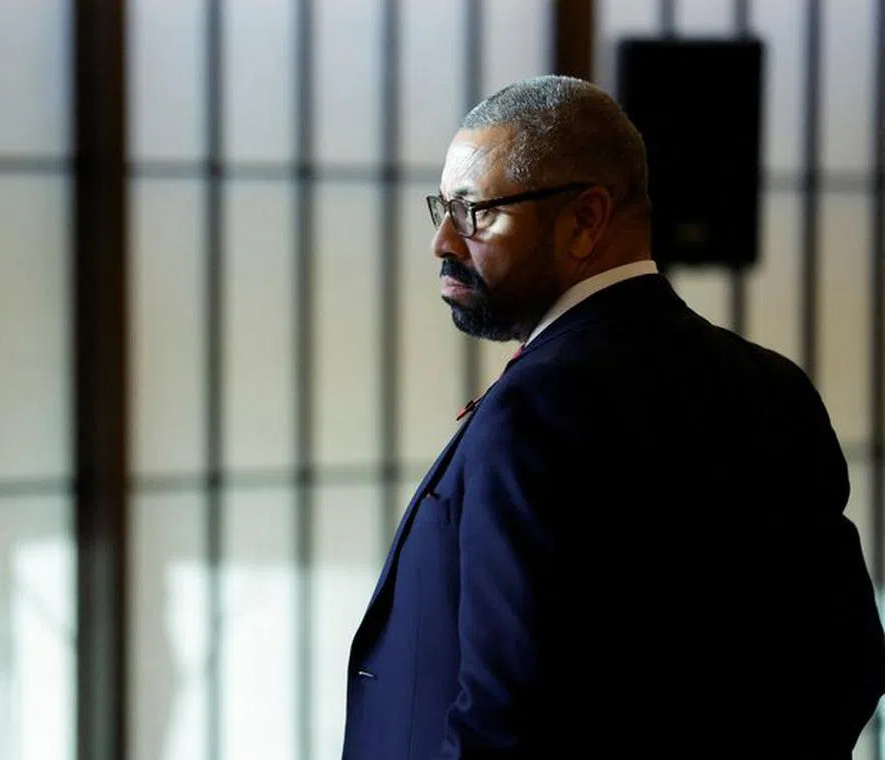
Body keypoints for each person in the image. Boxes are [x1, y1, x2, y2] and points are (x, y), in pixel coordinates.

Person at [341, 75, 885, 759]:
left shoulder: (537, 410)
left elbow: (508, 720)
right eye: (441, 209)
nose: (444, 242)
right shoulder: (771, 386)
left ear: (587, 220)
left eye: (475, 211)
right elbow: (845, 662)